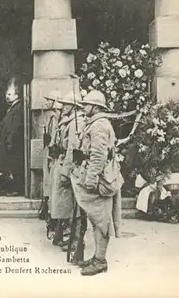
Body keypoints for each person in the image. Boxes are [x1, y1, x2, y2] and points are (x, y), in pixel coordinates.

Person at [70, 90, 123, 276]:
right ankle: (97, 257)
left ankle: (100, 260)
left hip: (101, 180)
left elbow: (98, 156)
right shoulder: (94, 123)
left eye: (86, 104)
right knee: (96, 218)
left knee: (101, 220)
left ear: (95, 107)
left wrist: (91, 179)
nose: (84, 107)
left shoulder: (99, 125)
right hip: (97, 177)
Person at [50, 93, 86, 250]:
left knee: (71, 205)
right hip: (61, 161)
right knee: (63, 203)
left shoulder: (75, 123)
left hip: (68, 166)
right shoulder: (67, 121)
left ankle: (74, 238)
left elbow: (72, 148)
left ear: (74, 106)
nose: (63, 106)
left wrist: (66, 171)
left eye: (66, 104)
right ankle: (65, 234)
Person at [0, 76, 24, 196]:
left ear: (16, 95)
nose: (6, 96)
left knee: (10, 169)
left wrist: (9, 142)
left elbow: (14, 128)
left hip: (11, 145)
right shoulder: (13, 108)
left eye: (9, 94)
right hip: (8, 144)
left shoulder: (18, 109)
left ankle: (15, 189)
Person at [40, 91, 63, 219]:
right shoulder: (50, 117)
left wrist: (49, 153)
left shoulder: (55, 118)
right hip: (48, 150)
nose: (47, 102)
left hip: (51, 152)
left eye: (49, 100)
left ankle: (48, 209)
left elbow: (53, 138)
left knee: (49, 180)